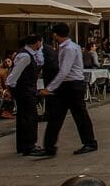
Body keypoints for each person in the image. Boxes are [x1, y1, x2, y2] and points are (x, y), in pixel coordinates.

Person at [39, 23, 97, 156]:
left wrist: (49, 88)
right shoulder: (70, 46)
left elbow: (64, 70)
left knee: (79, 115)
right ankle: (49, 147)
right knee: (57, 116)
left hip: (72, 85)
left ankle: (90, 142)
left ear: (55, 34)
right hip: (69, 85)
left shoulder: (69, 48)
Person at [6, 34, 45, 156]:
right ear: (37, 43)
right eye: (40, 42)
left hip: (24, 89)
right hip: (25, 90)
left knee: (24, 117)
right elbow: (14, 74)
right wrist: (10, 87)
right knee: (30, 117)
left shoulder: (27, 54)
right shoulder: (25, 56)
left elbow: (40, 60)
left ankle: (23, 145)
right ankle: (29, 145)